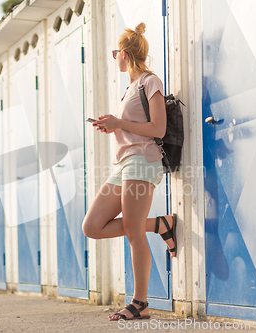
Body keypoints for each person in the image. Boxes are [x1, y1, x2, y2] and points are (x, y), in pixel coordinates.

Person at [81, 22, 177, 321]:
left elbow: (157, 129)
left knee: (133, 234)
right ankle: (161, 224)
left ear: (123, 54)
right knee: (92, 226)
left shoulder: (151, 82)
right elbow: (132, 126)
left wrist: (119, 124)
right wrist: (111, 124)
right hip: (123, 164)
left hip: (141, 162)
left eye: (114, 53)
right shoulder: (130, 89)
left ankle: (140, 303)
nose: (115, 58)